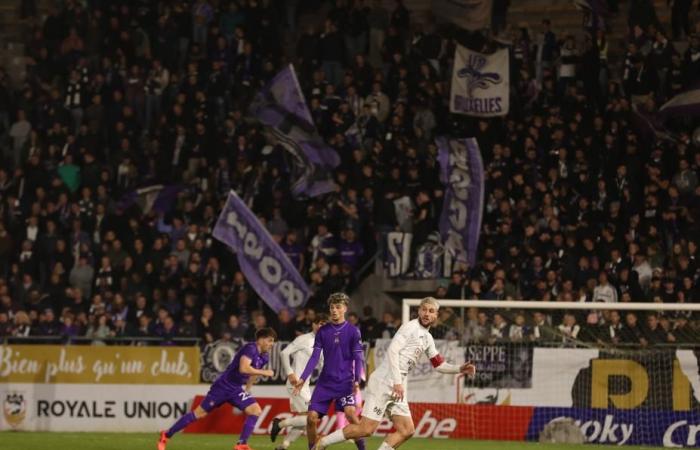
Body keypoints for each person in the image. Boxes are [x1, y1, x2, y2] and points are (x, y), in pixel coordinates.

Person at [313, 297, 476, 450]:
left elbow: (439, 364)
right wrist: (398, 383)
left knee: (407, 430)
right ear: (419, 311)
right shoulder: (410, 327)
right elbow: (392, 351)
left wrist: (459, 369)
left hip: (396, 387)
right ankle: (322, 442)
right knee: (366, 429)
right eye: (424, 310)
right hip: (385, 382)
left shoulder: (427, 338)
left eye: (431, 311)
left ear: (436, 315)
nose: (427, 314)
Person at [157, 328, 277, 450]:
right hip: (222, 387)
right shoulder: (250, 348)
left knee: (255, 411)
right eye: (270, 340)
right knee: (199, 414)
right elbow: (244, 368)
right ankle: (166, 435)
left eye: (273, 341)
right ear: (261, 340)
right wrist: (265, 372)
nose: (272, 344)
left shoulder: (264, 357)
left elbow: (253, 374)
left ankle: (241, 444)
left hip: (236, 389)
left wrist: (247, 389)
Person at [292, 292, 366, 450]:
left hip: (345, 383)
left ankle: (362, 449)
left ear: (345, 308)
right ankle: (313, 448)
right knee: (311, 419)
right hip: (325, 383)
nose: (334, 310)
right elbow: (314, 358)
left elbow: (358, 358)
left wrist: (357, 381)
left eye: (338, 307)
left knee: (351, 415)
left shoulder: (353, 331)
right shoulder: (323, 331)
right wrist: (302, 379)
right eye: (332, 307)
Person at [270, 314, 328, 450]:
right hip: (296, 383)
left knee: (306, 421)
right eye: (319, 323)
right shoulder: (304, 339)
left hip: (305, 386)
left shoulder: (324, 344)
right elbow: (284, 353)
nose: (321, 326)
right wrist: (290, 373)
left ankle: (284, 445)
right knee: (313, 417)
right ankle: (279, 424)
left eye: (324, 324)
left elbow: (323, 365)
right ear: (313, 324)